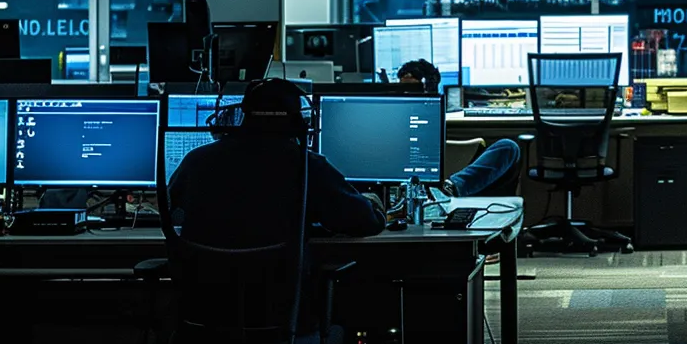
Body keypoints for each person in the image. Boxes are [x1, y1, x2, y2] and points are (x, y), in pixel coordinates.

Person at [169, 78, 385, 243]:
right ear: (299, 122)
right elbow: (364, 223)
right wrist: (372, 204)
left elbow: (171, 209)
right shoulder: (307, 166)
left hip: (205, 291)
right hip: (278, 293)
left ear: (243, 116)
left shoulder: (196, 160)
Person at [396, 59, 523, 198]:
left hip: (443, 182)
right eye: (402, 89)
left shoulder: (430, 114)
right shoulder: (391, 119)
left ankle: (450, 189)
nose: (407, 94)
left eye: (413, 89)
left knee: (508, 147)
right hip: (406, 184)